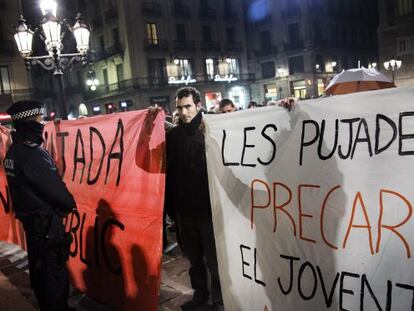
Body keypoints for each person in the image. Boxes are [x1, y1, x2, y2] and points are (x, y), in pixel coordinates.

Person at [4, 100, 76, 311]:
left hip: (33, 224)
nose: (42, 123)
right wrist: (69, 203)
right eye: (39, 119)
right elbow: (55, 190)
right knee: (53, 273)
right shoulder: (31, 153)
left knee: (40, 270)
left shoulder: (13, 152)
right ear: (30, 122)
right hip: (46, 225)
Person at [165, 87, 223, 310]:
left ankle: (218, 299)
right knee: (194, 258)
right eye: (180, 107)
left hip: (208, 209)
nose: (183, 112)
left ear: (198, 106)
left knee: (214, 259)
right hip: (184, 211)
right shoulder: (173, 136)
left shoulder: (212, 128)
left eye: (188, 106)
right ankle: (200, 294)